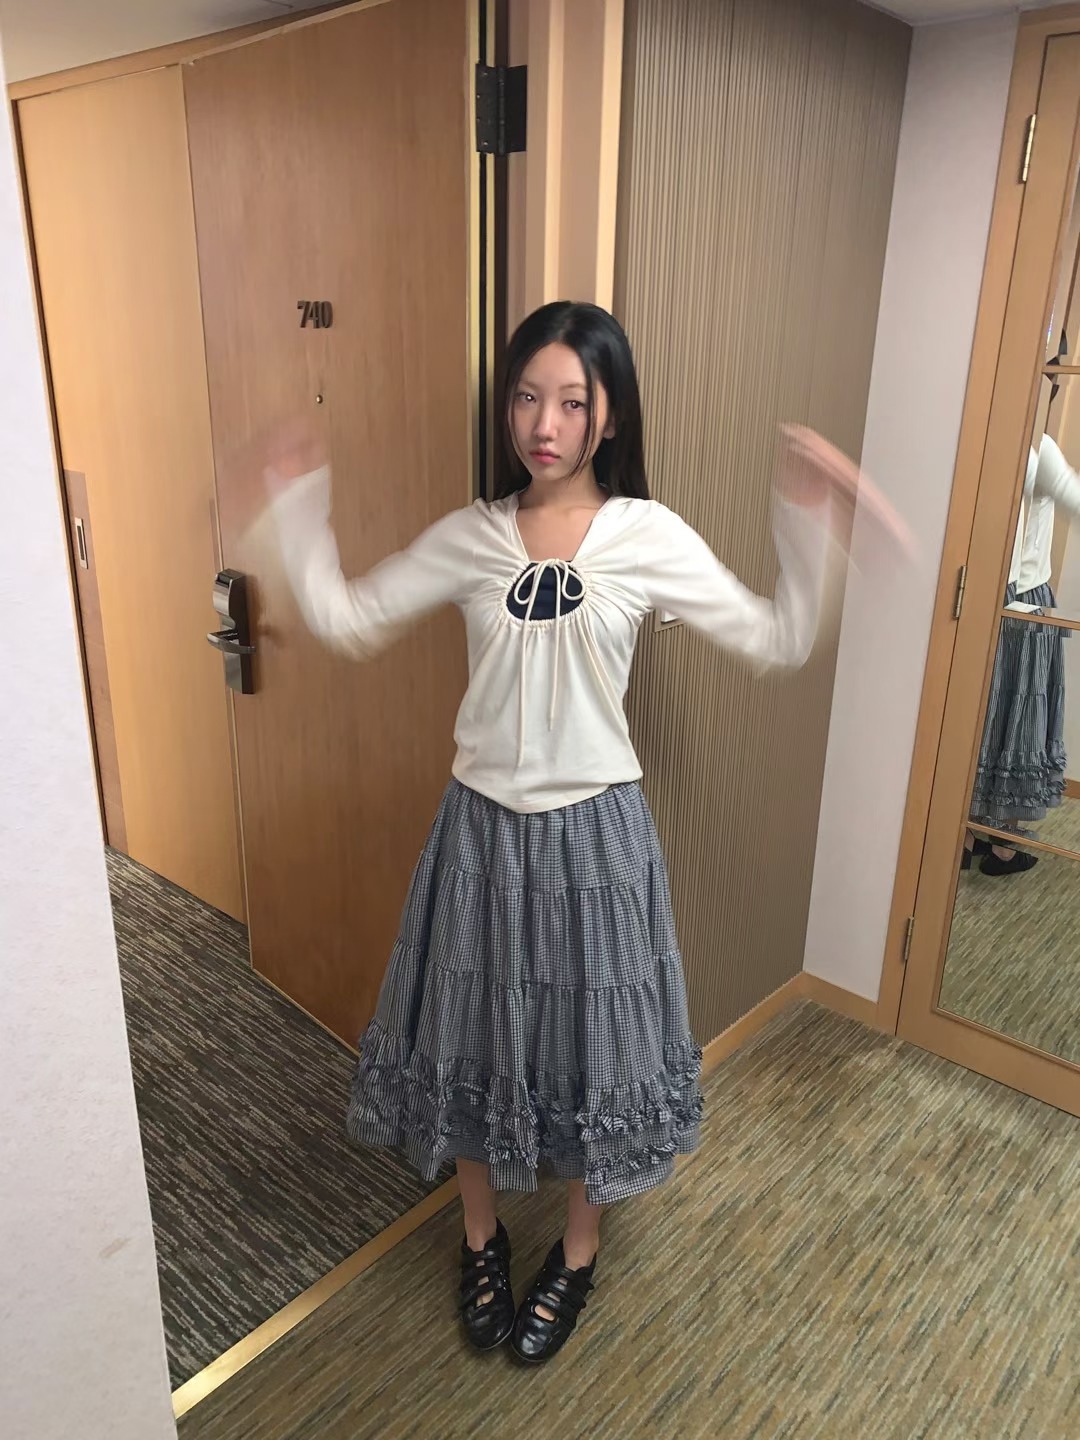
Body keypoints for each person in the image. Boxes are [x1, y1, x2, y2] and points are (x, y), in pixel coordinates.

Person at [263, 301, 873, 1365]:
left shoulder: (647, 536)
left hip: (597, 840)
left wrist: (810, 520)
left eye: (572, 402)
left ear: (610, 416)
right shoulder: (472, 535)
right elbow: (352, 618)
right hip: (479, 835)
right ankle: (481, 1238)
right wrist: (293, 505)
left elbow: (775, 638)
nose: (544, 424)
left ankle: (578, 1254)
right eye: (526, 397)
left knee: (598, 1059)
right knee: (469, 1037)